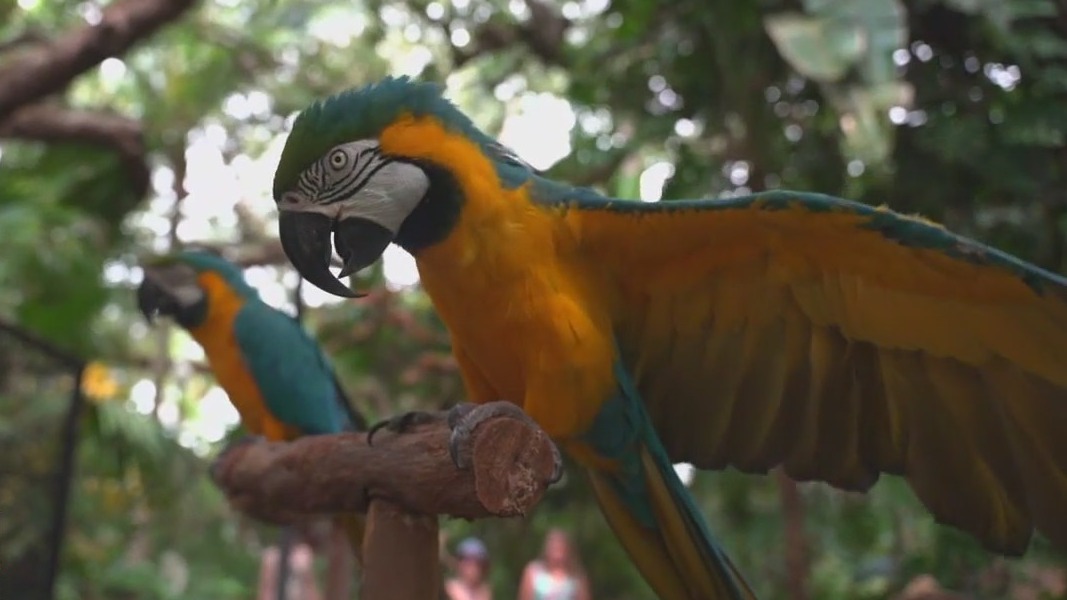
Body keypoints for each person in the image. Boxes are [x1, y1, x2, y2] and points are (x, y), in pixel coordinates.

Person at [518, 528, 591, 600]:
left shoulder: (576, 577)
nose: (557, 551)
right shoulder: (533, 572)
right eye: (554, 546)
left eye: (560, 547)